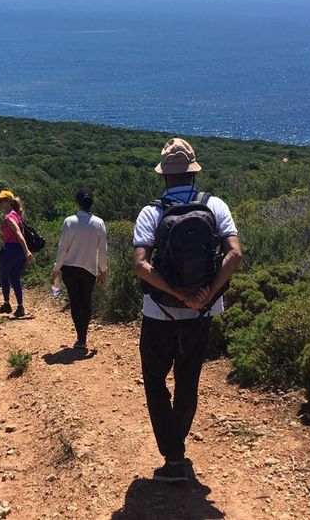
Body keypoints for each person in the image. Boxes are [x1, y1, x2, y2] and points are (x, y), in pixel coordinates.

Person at [132, 138, 242, 483]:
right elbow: (234, 254)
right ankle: (177, 450)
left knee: (154, 382)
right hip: (201, 314)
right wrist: (205, 294)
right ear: (193, 172)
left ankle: (173, 456)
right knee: (187, 382)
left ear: (164, 175)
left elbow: (140, 265)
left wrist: (175, 292)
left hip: (159, 314)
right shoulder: (216, 206)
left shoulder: (152, 212)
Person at [51, 188, 108, 351]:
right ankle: (83, 337)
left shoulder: (69, 221)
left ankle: (80, 338)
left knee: (75, 303)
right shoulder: (99, 223)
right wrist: (103, 270)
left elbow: (62, 249)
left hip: (69, 269)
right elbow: (103, 250)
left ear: (77, 202)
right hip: (89, 270)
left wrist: (56, 269)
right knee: (86, 301)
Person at [0, 190, 34, 318]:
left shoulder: (9, 217)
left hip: (11, 249)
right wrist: (25, 251)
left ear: (9, 202)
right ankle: (20, 307)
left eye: (3, 201)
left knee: (4, 275)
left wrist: (27, 250)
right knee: (15, 278)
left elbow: (18, 233)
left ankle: (6, 304)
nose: (0, 203)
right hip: (20, 252)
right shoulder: (17, 215)